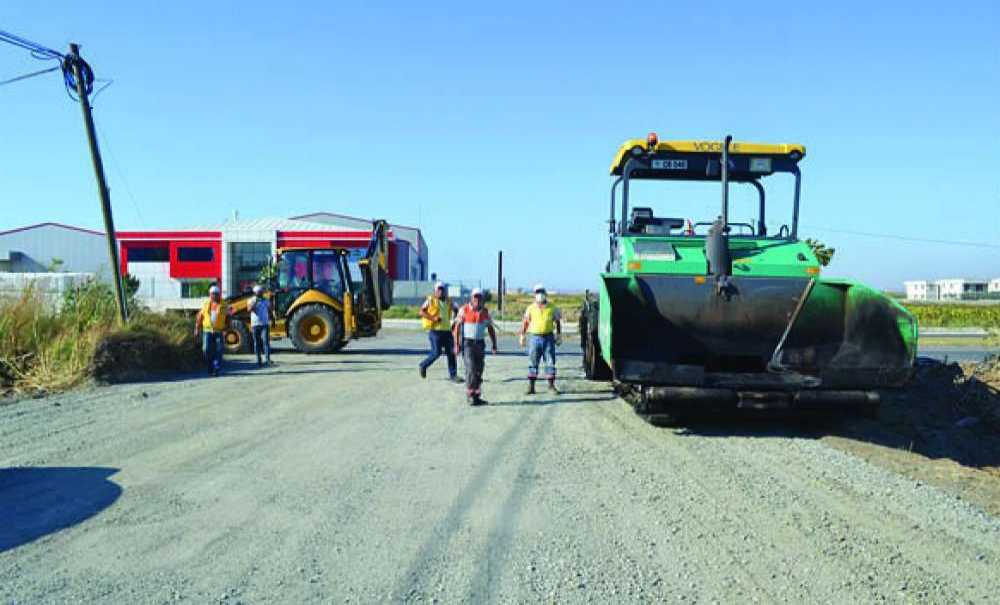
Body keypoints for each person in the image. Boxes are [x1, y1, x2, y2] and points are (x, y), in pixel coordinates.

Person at [453, 288, 498, 406]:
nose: (477, 299)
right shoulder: (464, 310)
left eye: (479, 297)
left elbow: (490, 328)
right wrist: (456, 344)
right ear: (471, 298)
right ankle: (470, 395)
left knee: (479, 370)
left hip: (480, 344)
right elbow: (457, 328)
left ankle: (477, 396)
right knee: (471, 369)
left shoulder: (485, 312)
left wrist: (494, 344)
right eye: (475, 297)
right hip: (468, 344)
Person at [519, 284, 562, 394]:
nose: (540, 294)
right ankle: (531, 387)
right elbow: (525, 322)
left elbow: (557, 322)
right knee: (533, 362)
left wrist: (559, 335)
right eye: (538, 292)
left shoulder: (553, 307)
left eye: (542, 292)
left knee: (550, 362)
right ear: (534, 294)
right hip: (534, 338)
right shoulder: (530, 308)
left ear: (545, 293)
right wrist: (522, 335)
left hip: (548, 338)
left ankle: (551, 386)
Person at [418, 281, 460, 382]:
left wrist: (455, 319)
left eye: (442, 289)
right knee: (436, 353)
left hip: (447, 331)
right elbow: (421, 311)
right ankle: (423, 365)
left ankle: (453, 375)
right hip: (435, 331)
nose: (441, 291)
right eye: (439, 289)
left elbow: (457, 309)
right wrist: (433, 318)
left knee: (451, 353)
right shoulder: (430, 300)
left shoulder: (449, 301)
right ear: (435, 291)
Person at [193, 284, 231, 376]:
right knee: (206, 349)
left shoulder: (224, 305)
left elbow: (228, 318)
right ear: (210, 295)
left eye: (215, 294)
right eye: (212, 294)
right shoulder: (206, 304)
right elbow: (200, 316)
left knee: (219, 350)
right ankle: (210, 368)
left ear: (219, 294)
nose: (213, 296)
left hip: (219, 331)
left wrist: (226, 329)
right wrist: (197, 328)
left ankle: (216, 367)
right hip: (207, 331)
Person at [248, 284, 271, 367]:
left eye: (261, 292)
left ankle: (267, 359)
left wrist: (273, 319)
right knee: (257, 342)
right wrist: (255, 302)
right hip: (255, 324)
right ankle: (259, 360)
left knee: (266, 341)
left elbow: (269, 310)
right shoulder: (251, 300)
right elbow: (249, 309)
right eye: (259, 292)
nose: (261, 294)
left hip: (264, 324)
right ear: (255, 293)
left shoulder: (266, 300)